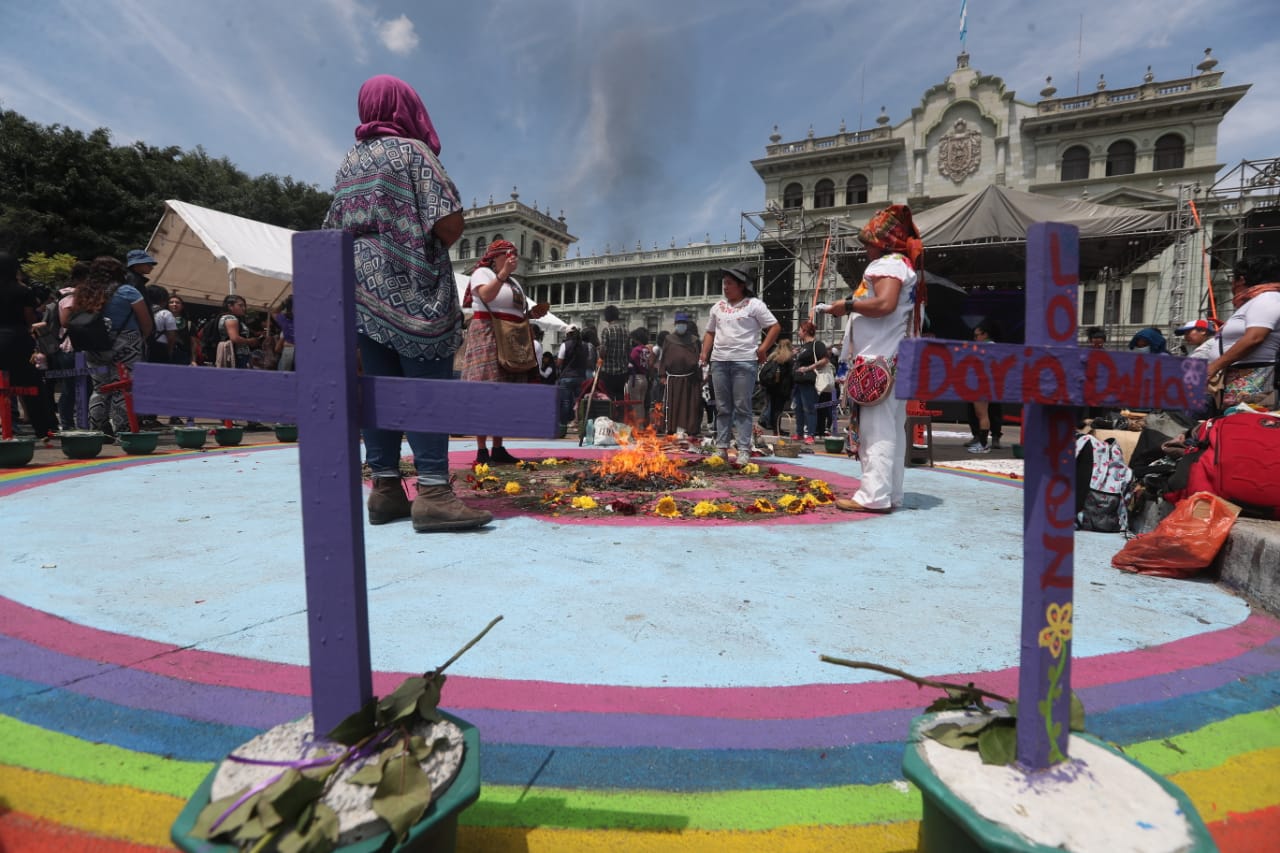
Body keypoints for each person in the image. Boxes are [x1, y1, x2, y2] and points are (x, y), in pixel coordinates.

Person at [323, 73, 491, 533]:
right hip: (411, 290)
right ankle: (434, 491)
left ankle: (386, 489)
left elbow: (333, 226)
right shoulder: (412, 153)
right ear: (406, 105)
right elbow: (450, 225)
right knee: (424, 390)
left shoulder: (350, 163)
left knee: (378, 389)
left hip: (361, 294)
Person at [814, 204, 922, 513]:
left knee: (877, 430)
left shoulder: (887, 264)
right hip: (896, 359)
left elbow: (885, 303)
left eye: (870, 242)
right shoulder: (905, 265)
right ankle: (890, 494)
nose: (865, 249)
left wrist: (846, 306)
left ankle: (874, 496)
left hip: (881, 361)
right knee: (893, 430)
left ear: (885, 241)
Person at [462, 239, 542, 465]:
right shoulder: (482, 273)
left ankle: (498, 447)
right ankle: (481, 449)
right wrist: (502, 274)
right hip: (487, 334)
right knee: (484, 390)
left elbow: (516, 308)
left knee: (503, 394)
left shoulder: (515, 282)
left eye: (514, 255)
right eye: (508, 255)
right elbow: (486, 296)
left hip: (511, 337)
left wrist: (532, 314)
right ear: (495, 256)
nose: (512, 259)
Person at [700, 265, 780, 460]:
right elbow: (710, 332)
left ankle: (744, 449)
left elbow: (775, 327)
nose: (725, 287)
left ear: (741, 285)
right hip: (719, 362)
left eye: (729, 283)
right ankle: (721, 448)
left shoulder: (754, 305)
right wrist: (704, 353)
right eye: (724, 283)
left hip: (744, 361)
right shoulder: (717, 307)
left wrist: (762, 349)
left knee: (742, 406)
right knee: (722, 407)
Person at [74, 256, 154, 436]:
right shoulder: (128, 291)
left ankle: (97, 429)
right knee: (123, 386)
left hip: (94, 343)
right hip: (127, 342)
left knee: (99, 387)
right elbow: (146, 322)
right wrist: (141, 339)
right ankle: (122, 429)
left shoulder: (83, 293)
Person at [1207, 255, 1280, 410]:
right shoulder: (1257, 301)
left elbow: (1254, 338)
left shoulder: (1267, 298)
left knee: (1245, 426)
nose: (1232, 285)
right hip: (1239, 377)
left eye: (1233, 279)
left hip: (1254, 378)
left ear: (1241, 280)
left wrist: (1214, 366)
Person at [1, 251, 56, 438]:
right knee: (30, 383)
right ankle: (42, 428)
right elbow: (29, 318)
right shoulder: (22, 290)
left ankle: (10, 425)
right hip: (17, 338)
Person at [963, 319, 1004, 453]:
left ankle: (983, 444)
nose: (975, 339)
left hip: (983, 384)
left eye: (977, 336)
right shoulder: (987, 346)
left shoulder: (987, 346)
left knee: (982, 414)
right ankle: (982, 442)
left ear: (985, 335)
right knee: (982, 414)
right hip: (982, 383)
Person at [658, 312, 702, 436]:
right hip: (673, 378)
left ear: (686, 325)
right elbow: (663, 357)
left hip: (690, 378)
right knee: (674, 404)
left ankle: (688, 429)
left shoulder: (694, 340)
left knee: (689, 405)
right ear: (675, 324)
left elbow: (699, 357)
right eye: (679, 323)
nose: (681, 325)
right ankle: (672, 428)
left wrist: (699, 377)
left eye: (683, 323)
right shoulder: (668, 339)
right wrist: (662, 375)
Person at [790, 321, 828, 444]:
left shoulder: (817, 345)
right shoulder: (803, 347)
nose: (798, 333)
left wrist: (808, 368)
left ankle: (811, 434)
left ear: (805, 331)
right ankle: (799, 432)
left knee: (809, 408)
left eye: (800, 330)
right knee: (798, 408)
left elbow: (825, 360)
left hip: (809, 381)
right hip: (799, 382)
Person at [216, 295, 264, 370]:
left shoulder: (228, 318)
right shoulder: (231, 318)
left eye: (244, 306)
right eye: (240, 305)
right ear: (230, 306)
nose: (243, 308)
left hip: (238, 355)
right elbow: (235, 338)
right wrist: (250, 341)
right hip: (237, 355)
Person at [556, 326, 590, 427]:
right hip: (580, 377)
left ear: (567, 334)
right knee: (578, 401)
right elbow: (587, 361)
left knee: (565, 402)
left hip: (566, 377)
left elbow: (559, 362)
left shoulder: (564, 345)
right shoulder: (585, 346)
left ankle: (563, 424)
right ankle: (579, 423)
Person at [758, 337, 793, 435]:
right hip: (782, 389)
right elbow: (790, 376)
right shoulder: (787, 360)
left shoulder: (773, 357)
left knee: (773, 409)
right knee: (778, 410)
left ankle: (775, 429)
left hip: (771, 387)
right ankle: (777, 430)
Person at [597, 305, 629, 400]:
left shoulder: (606, 331)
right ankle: (620, 414)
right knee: (620, 397)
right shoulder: (626, 331)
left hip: (608, 371)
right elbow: (628, 350)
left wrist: (599, 353)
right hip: (622, 371)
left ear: (607, 317)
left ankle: (611, 415)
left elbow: (603, 351)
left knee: (607, 398)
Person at [625, 327, 652, 425]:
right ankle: (641, 424)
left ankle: (637, 426)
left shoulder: (635, 350)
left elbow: (630, 361)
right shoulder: (646, 349)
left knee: (635, 403)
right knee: (641, 403)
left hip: (635, 378)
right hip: (644, 377)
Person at [274, 295, 296, 371]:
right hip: (303, 353)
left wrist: (284, 303)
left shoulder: (285, 321)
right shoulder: (308, 321)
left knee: (284, 377)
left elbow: (274, 312)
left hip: (289, 351)